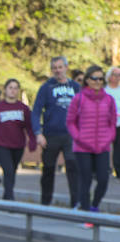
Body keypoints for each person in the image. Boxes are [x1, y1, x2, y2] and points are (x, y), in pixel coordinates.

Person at [67, 65, 117, 215]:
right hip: (83, 147)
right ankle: (86, 211)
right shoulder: (78, 98)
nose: (98, 81)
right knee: (85, 179)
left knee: (103, 179)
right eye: (94, 78)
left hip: (102, 146)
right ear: (87, 80)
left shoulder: (109, 100)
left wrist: (108, 138)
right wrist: (79, 137)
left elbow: (112, 123)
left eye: (101, 78)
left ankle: (94, 205)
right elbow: (70, 122)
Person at [33, 55, 82, 208]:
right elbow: (36, 111)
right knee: (48, 169)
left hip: (71, 135)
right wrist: (38, 133)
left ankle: (76, 202)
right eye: (54, 68)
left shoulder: (75, 87)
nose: (58, 70)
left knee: (73, 167)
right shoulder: (46, 87)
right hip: (50, 135)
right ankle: (45, 202)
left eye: (60, 67)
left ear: (66, 68)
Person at [0, 78, 35, 201]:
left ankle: (7, 194)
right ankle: (10, 197)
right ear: (5, 90)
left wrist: (32, 141)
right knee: (8, 169)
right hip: (1, 144)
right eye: (10, 88)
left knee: (12, 170)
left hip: (18, 145)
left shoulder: (23, 108)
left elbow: (30, 127)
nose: (13, 91)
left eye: (15, 88)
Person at [106, 66, 120, 180]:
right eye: (115, 75)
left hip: (119, 124)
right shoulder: (105, 90)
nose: (118, 77)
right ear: (110, 76)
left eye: (119, 75)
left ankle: (118, 171)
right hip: (107, 124)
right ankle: (106, 169)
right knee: (106, 147)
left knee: (118, 148)